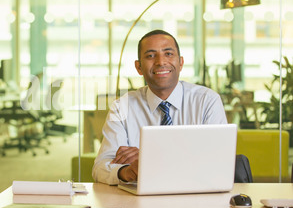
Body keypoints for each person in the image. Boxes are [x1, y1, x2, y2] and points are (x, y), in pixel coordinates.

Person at [92, 29, 228, 185]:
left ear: (181, 62)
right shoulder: (122, 107)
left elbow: (218, 162)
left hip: (195, 195)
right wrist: (125, 172)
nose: (161, 62)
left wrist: (149, 157)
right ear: (139, 67)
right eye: (150, 56)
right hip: (140, 199)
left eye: (168, 54)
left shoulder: (207, 101)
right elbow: (100, 168)